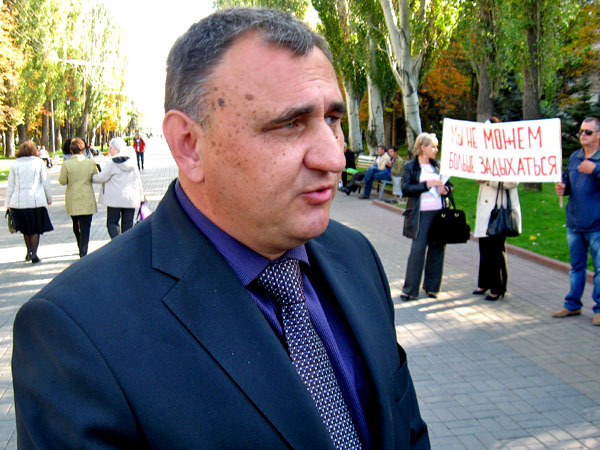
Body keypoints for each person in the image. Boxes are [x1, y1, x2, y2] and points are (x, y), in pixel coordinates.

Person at [12, 8, 429, 449]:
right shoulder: (76, 332)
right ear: (189, 145)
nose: (333, 158)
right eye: (290, 124)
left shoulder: (356, 256)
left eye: (332, 120)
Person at [553, 117, 600, 326]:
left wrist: (595, 170)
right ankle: (572, 304)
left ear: (599, 135)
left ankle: (599, 309)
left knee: (599, 269)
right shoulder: (575, 157)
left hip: (596, 225)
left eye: (588, 132)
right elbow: (568, 182)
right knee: (576, 267)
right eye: (581, 131)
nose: (583, 135)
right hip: (574, 223)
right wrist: (562, 188)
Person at [401, 132, 452, 300]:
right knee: (418, 250)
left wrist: (446, 190)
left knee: (437, 249)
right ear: (423, 147)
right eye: (433, 147)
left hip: (439, 214)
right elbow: (406, 189)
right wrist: (427, 185)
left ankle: (432, 287)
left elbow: (450, 186)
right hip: (420, 214)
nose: (436, 150)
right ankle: (410, 290)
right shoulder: (411, 166)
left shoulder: (437, 166)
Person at [4, 141, 53, 263]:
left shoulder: (15, 164)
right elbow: (46, 182)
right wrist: (49, 198)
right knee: (35, 229)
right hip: (36, 201)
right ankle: (34, 254)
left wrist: (8, 203)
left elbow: (11, 185)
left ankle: (29, 251)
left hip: (19, 202)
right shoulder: (39, 163)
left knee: (26, 229)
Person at [472, 180, 521, 300]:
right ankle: (484, 283)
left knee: (496, 249)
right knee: (484, 246)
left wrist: (489, 180)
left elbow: (513, 182)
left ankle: (497, 287)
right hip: (485, 208)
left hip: (499, 207)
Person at [92, 137, 144, 239]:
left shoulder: (112, 163)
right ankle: (126, 245)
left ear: (117, 149)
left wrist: (91, 177)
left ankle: (117, 242)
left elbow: (102, 177)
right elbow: (138, 180)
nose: (109, 150)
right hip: (130, 199)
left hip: (114, 200)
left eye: (111, 148)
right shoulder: (132, 162)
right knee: (128, 226)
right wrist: (141, 196)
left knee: (112, 223)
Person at [58, 137, 98, 257]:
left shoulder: (67, 164)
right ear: (83, 149)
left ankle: (80, 245)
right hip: (86, 197)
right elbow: (96, 176)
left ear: (71, 150)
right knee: (86, 226)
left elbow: (62, 181)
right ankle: (83, 250)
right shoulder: (90, 163)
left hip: (73, 197)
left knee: (76, 224)